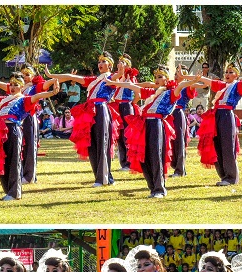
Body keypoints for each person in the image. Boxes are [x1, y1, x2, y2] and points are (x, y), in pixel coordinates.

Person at [0, 72, 57, 200]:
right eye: (11, 84)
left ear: (21, 86)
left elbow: (37, 96)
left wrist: (51, 93)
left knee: (14, 161)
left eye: (16, 85)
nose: (13, 87)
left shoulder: (23, 99)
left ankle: (14, 193)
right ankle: (8, 191)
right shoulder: (3, 99)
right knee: (1, 162)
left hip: (13, 129)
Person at [111, 65, 198, 198]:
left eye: (160, 77)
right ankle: (152, 187)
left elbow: (181, 86)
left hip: (157, 124)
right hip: (144, 124)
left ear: (166, 79)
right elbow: (135, 87)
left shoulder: (171, 93)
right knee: (143, 156)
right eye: (156, 77)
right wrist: (113, 83)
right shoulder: (151, 92)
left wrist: (190, 81)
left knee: (156, 156)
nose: (156, 79)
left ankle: (159, 188)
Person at [51, 52, 120, 187]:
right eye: (99, 62)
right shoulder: (93, 80)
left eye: (103, 62)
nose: (100, 64)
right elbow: (71, 77)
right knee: (92, 144)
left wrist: (121, 69)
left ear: (110, 65)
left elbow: (118, 76)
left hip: (101, 110)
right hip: (89, 112)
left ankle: (104, 178)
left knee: (102, 143)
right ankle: (98, 177)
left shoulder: (111, 78)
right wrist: (53, 76)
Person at [194, 62, 242, 186]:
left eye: (231, 72)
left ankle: (231, 177)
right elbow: (205, 80)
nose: (227, 74)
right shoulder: (222, 85)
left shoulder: (237, 85)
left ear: (236, 75)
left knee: (227, 146)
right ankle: (224, 176)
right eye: (226, 72)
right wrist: (185, 78)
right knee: (217, 145)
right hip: (216, 116)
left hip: (227, 115)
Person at [110, 54, 137, 170]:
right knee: (119, 134)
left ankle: (131, 162)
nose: (119, 64)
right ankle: (123, 162)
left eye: (123, 63)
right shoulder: (116, 77)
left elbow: (137, 93)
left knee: (128, 135)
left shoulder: (131, 78)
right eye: (119, 62)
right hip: (117, 106)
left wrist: (132, 104)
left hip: (127, 105)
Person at [171, 64, 198, 177]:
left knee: (179, 142)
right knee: (171, 142)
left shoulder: (187, 87)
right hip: (169, 114)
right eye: (176, 74)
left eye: (179, 74)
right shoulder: (172, 86)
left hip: (178, 113)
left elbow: (197, 83)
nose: (176, 76)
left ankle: (180, 169)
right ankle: (173, 166)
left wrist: (186, 78)